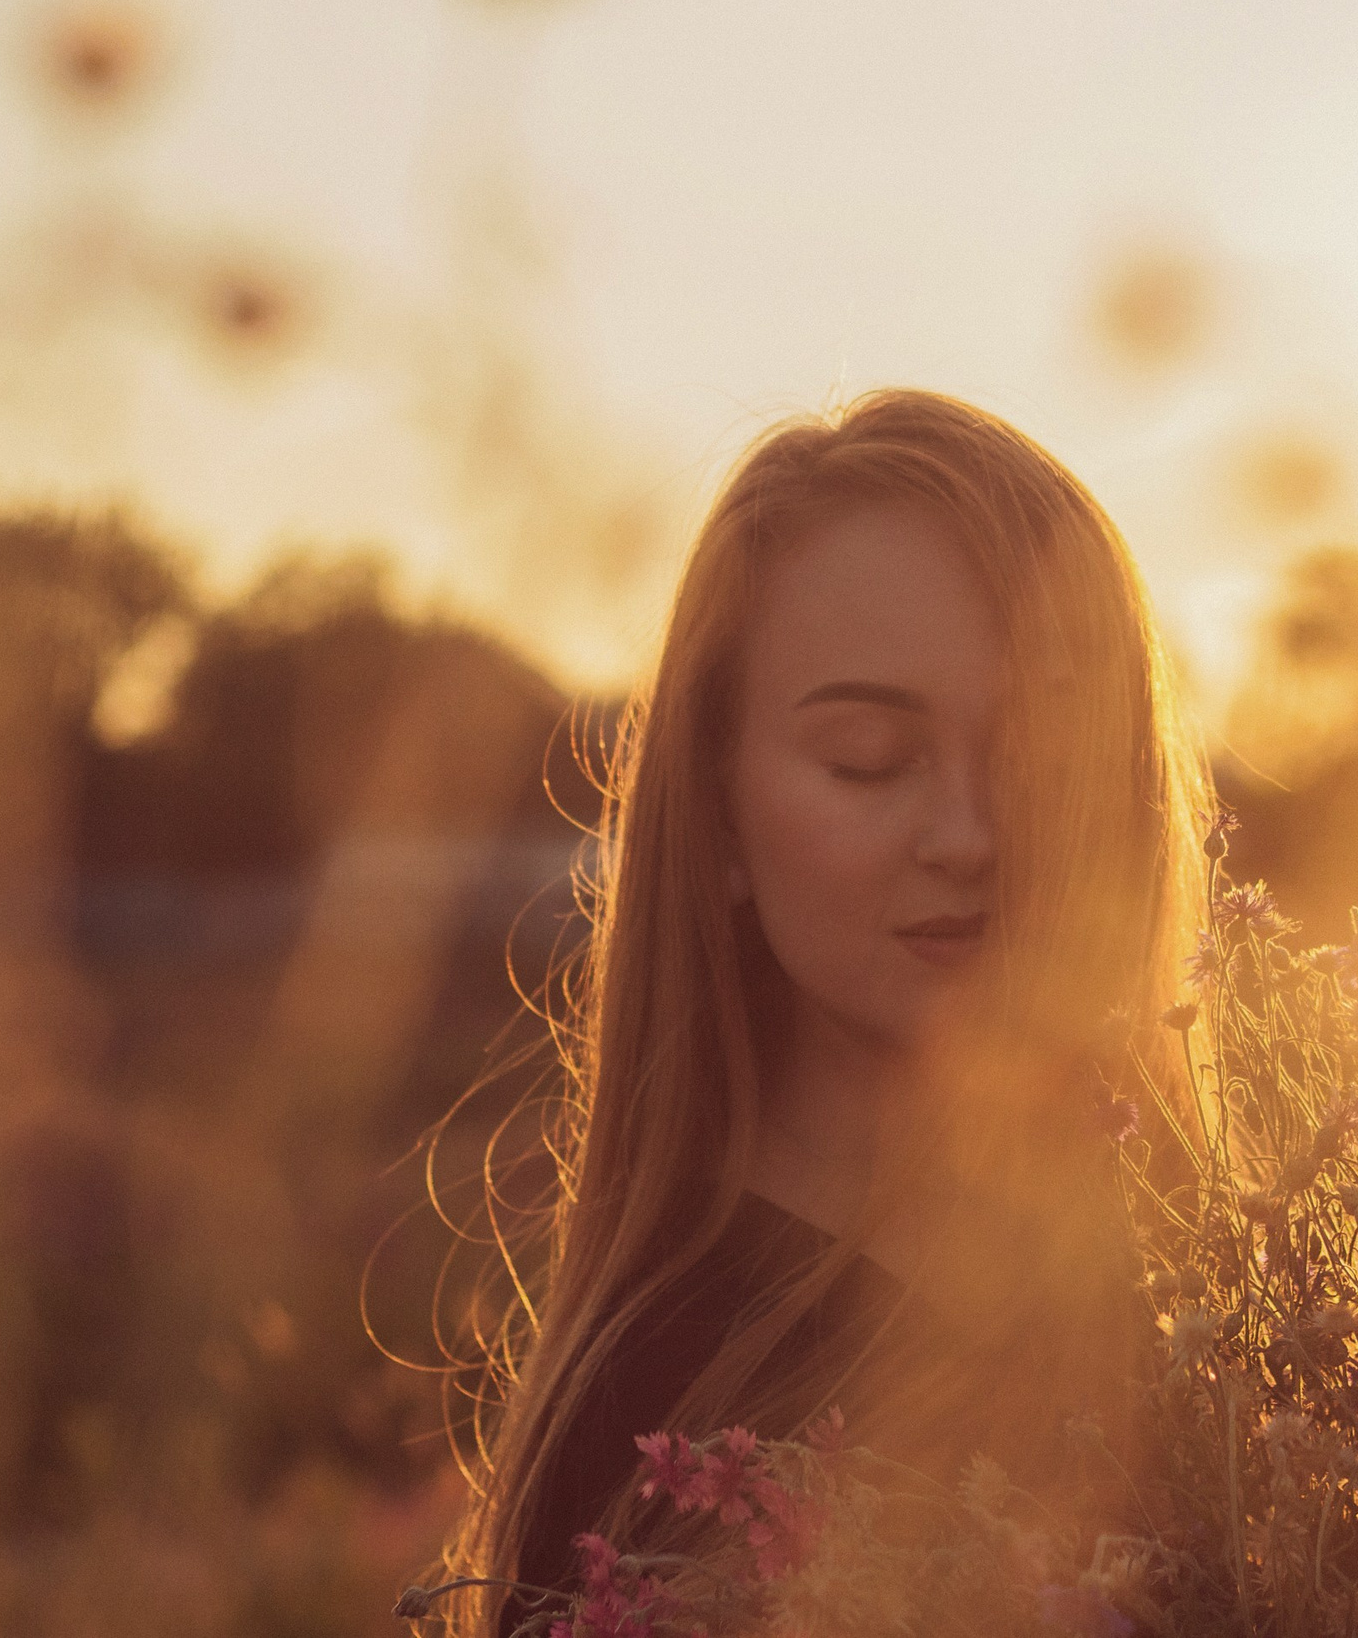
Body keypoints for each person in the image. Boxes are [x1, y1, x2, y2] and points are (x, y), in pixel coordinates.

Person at [440, 389, 1217, 1633]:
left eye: (1043, 755)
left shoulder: (1221, 1311)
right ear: (718, 814)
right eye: (869, 758)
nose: (969, 835)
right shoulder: (663, 1424)